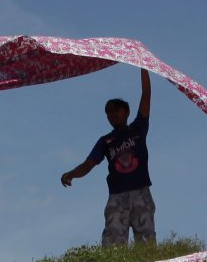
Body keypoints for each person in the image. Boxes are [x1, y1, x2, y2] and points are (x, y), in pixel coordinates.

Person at [60, 68, 155, 245]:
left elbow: (146, 95)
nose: (112, 114)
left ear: (126, 112)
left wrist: (143, 66)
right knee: (113, 241)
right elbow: (89, 163)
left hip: (141, 190)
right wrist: (72, 173)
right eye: (109, 112)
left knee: (146, 238)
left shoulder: (138, 128)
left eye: (116, 110)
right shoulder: (105, 141)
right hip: (117, 194)